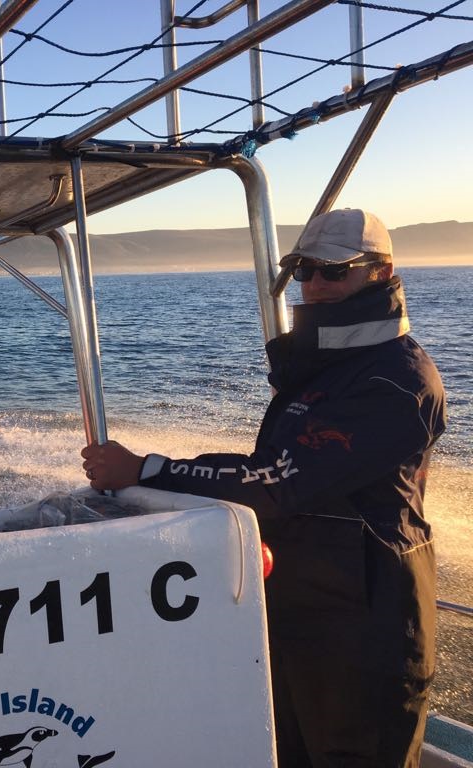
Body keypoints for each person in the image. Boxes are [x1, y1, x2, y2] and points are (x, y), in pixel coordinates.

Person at [80, 209, 445, 767]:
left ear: (382, 272)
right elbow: (266, 467)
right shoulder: (327, 368)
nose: (315, 284)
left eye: (334, 270)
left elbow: (278, 483)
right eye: (304, 270)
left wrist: (146, 470)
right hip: (305, 613)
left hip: (370, 628)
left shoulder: (395, 379)